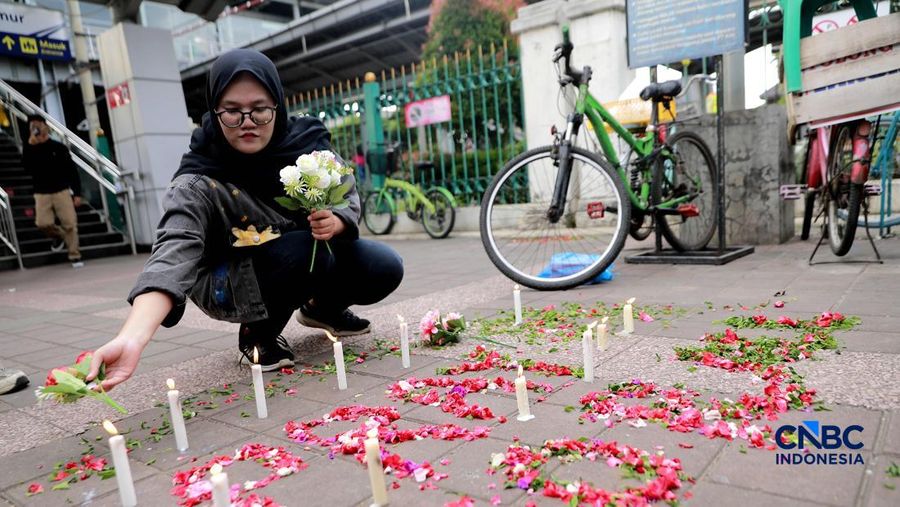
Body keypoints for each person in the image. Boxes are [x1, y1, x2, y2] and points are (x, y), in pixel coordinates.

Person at [86, 49, 403, 389]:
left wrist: (338, 221)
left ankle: (322, 309)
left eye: (260, 110)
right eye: (232, 112)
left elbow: (345, 190)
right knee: (302, 250)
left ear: (277, 105)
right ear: (214, 110)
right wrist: (133, 337)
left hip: (306, 255)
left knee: (382, 266)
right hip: (232, 280)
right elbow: (173, 251)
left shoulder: (307, 145)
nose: (248, 121)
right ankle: (257, 334)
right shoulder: (198, 178)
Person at [21, 115, 83, 267]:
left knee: (70, 223)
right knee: (43, 223)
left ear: (45, 126)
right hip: (41, 192)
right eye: (32, 125)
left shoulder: (58, 147)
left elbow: (72, 171)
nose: (36, 128)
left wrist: (77, 193)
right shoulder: (29, 148)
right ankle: (60, 236)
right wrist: (31, 146)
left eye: (38, 125)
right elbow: (26, 169)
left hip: (61, 190)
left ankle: (75, 255)